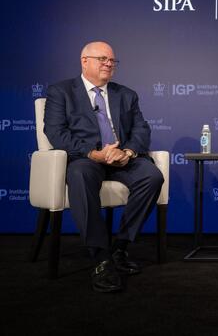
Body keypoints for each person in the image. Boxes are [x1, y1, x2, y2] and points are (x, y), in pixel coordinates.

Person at [44, 41, 164, 292]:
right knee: (78, 175)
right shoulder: (61, 91)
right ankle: (101, 258)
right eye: (102, 59)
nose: (109, 64)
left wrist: (127, 152)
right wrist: (92, 153)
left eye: (112, 60)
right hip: (86, 158)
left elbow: (141, 128)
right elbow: (55, 132)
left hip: (122, 159)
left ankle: (120, 247)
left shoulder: (126, 94)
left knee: (152, 176)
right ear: (84, 61)